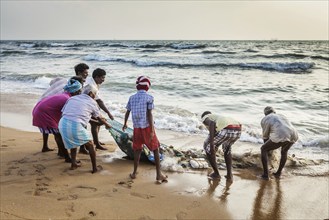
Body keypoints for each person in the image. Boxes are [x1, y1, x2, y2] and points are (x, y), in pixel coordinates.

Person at [122, 76, 168, 184]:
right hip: (146, 127)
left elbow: (128, 111)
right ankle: (158, 174)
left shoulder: (132, 97)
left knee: (137, 150)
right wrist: (152, 130)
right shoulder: (149, 97)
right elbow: (149, 114)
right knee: (155, 149)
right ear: (147, 87)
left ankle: (134, 172)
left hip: (136, 128)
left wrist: (125, 123)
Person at [58, 84, 112, 173]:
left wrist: (100, 122)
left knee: (73, 143)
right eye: (95, 94)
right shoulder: (92, 102)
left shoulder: (72, 98)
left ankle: (73, 164)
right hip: (75, 125)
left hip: (62, 123)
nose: (95, 96)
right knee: (90, 144)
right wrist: (107, 124)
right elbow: (99, 117)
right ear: (91, 93)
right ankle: (95, 168)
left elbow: (69, 113)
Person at [37, 63, 89, 153]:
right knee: (56, 129)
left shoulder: (69, 82)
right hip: (50, 106)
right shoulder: (74, 86)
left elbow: (52, 82)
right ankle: (63, 152)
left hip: (44, 102)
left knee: (48, 126)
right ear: (79, 72)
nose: (87, 74)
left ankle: (46, 146)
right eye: (85, 73)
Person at [32, 78, 83, 162]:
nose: (80, 93)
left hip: (40, 110)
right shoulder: (67, 99)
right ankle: (67, 158)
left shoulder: (65, 94)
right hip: (43, 114)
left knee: (58, 134)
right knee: (59, 136)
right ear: (75, 91)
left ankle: (62, 153)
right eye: (79, 91)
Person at [80, 68, 114, 154]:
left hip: (90, 105)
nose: (103, 80)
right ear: (96, 77)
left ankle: (96, 141)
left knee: (97, 123)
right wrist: (108, 113)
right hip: (85, 106)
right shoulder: (92, 85)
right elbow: (99, 101)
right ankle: (96, 144)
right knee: (95, 123)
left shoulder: (95, 83)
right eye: (102, 78)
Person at [201, 111, 242, 181]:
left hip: (226, 129)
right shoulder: (219, 117)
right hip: (238, 130)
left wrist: (211, 145)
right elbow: (216, 132)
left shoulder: (206, 117)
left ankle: (216, 174)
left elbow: (211, 123)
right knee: (227, 150)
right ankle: (229, 175)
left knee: (208, 149)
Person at [260, 106, 298, 180]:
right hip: (294, 134)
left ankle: (265, 175)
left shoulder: (265, 119)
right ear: (274, 112)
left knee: (263, 149)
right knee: (284, 151)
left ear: (265, 114)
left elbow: (265, 137)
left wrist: (268, 151)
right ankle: (278, 173)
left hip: (281, 134)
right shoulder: (281, 115)